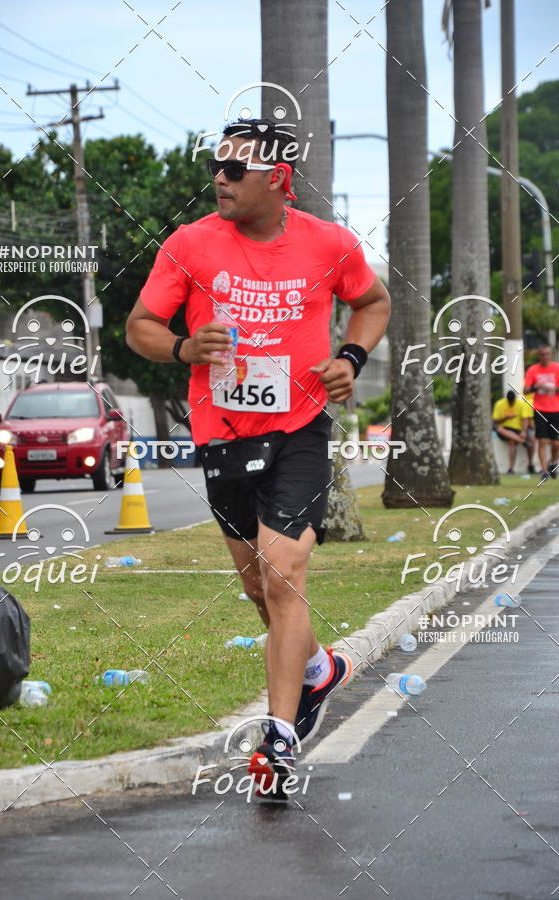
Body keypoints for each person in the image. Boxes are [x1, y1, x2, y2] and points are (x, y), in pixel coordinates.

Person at [126, 117, 390, 791]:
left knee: (283, 570)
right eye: (216, 166)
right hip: (222, 432)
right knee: (256, 584)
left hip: (301, 428)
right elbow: (140, 328)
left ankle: (278, 740)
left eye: (235, 170)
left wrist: (350, 358)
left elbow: (374, 301)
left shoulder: (328, 243)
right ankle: (315, 671)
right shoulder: (191, 245)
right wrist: (185, 348)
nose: (220, 178)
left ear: (279, 180)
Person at [524, 345, 559, 479]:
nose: (545, 357)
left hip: (556, 409)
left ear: (550, 355)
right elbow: (525, 390)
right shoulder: (533, 370)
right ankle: (544, 471)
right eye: (542, 354)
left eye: (547, 354)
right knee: (542, 441)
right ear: (539, 356)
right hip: (540, 409)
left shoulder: (556, 368)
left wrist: (553, 389)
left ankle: (553, 462)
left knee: (556, 443)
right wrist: (535, 387)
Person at [491, 389, 534, 474]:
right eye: (510, 402)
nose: (511, 403)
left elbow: (525, 419)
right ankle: (522, 441)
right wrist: (505, 418)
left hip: (517, 430)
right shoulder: (499, 404)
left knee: (512, 441)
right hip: (504, 428)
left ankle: (512, 468)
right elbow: (495, 421)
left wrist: (524, 431)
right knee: (499, 429)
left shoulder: (520, 404)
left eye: (512, 402)